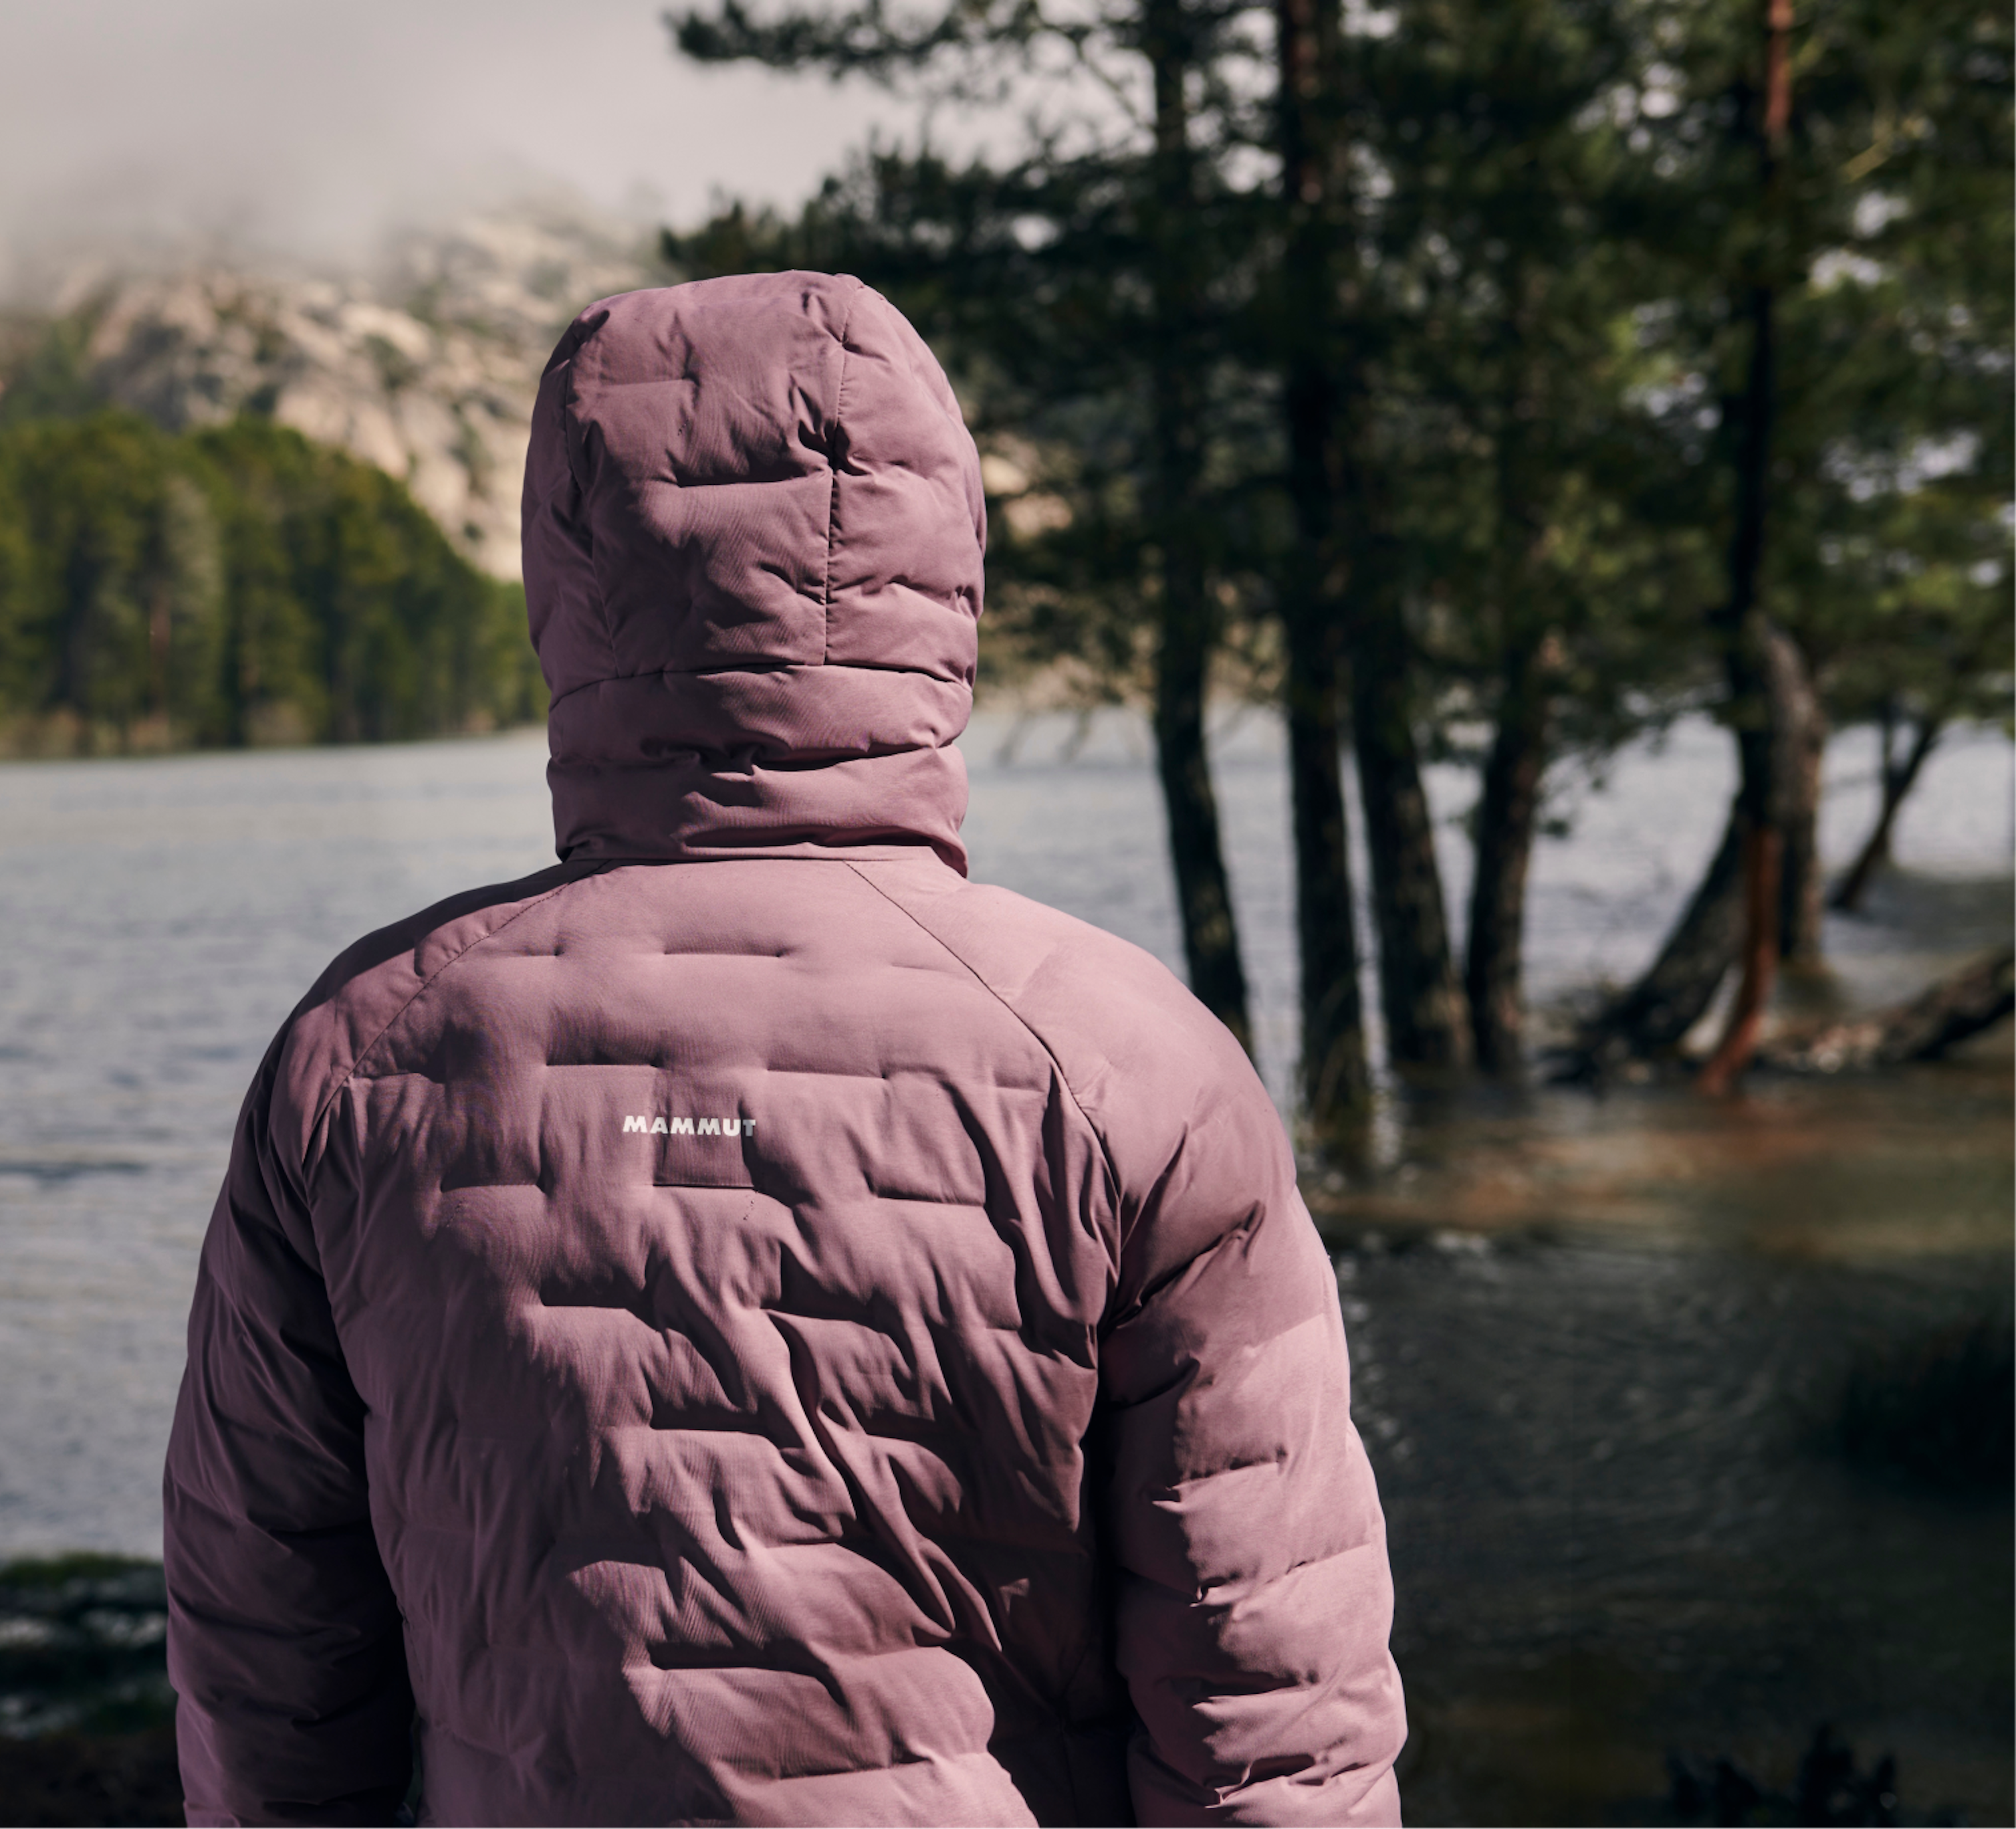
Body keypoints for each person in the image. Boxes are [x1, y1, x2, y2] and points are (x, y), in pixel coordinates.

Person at [164, 271, 1405, 1829]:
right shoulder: (1127, 1064)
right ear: (942, 568)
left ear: (568, 570)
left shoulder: (366, 1055)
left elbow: (265, 1662)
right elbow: (1266, 1703)